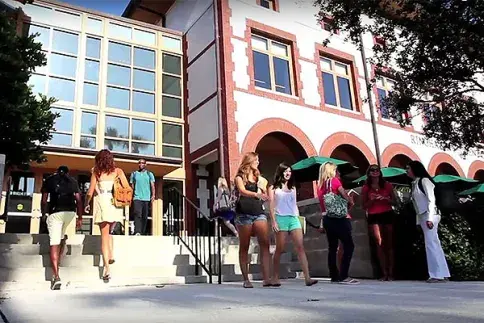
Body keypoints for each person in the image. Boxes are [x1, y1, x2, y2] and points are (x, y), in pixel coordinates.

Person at [268, 163, 318, 287]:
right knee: (279, 248)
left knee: (300, 247)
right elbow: (271, 205)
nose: (288, 173)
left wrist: (299, 218)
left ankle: (307, 278)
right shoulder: (273, 188)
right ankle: (275, 277)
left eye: (289, 171)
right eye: (285, 171)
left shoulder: (293, 187)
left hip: (294, 218)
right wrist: (273, 221)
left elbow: (294, 204)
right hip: (280, 218)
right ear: (280, 172)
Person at [85, 149, 129, 282]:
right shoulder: (118, 171)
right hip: (115, 202)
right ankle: (110, 255)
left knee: (104, 235)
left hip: (102, 201)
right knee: (109, 231)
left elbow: (90, 190)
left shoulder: (96, 172)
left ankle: (106, 268)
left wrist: (87, 203)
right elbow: (126, 187)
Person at [406, 160, 450, 283]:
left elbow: (431, 200)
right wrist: (418, 221)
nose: (407, 171)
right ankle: (443, 273)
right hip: (424, 216)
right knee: (434, 243)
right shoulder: (414, 183)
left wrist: (430, 218)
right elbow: (416, 206)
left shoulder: (424, 181)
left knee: (430, 244)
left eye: (408, 168)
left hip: (430, 215)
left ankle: (436, 274)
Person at [41, 166, 83, 290]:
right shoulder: (73, 181)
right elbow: (79, 200)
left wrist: (44, 213)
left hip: (55, 213)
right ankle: (59, 258)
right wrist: (80, 217)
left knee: (54, 242)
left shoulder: (49, 180)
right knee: (61, 237)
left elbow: (44, 200)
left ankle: (56, 276)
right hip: (70, 213)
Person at [317, 162, 359, 285]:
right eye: (336, 170)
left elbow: (324, 207)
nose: (338, 173)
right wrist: (350, 199)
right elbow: (344, 195)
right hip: (339, 218)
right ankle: (344, 275)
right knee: (349, 245)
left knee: (332, 247)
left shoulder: (321, 186)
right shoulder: (335, 181)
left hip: (327, 219)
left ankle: (334, 275)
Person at [234, 152, 271, 288]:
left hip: (258, 212)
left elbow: (263, 193)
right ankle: (246, 279)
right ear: (249, 161)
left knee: (265, 243)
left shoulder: (258, 177)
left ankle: (266, 278)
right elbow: (242, 191)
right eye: (256, 160)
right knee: (245, 246)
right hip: (243, 213)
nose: (258, 162)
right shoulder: (240, 177)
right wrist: (256, 194)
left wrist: (263, 190)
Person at [361, 164, 396, 281]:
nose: (375, 172)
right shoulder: (366, 188)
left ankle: (391, 273)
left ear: (380, 172)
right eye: (372, 170)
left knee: (389, 244)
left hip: (387, 213)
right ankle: (384, 273)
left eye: (377, 170)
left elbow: (396, 202)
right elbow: (363, 205)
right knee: (379, 242)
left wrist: (385, 199)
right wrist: (372, 200)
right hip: (373, 215)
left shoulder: (387, 185)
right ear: (369, 173)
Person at [130, 159, 155, 235]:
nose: (141, 164)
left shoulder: (149, 174)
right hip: (137, 198)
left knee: (144, 216)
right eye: (139, 163)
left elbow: (152, 186)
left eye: (143, 163)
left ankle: (142, 231)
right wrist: (131, 197)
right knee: (138, 214)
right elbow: (132, 187)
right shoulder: (134, 174)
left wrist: (153, 195)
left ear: (145, 164)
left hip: (146, 198)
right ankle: (137, 231)